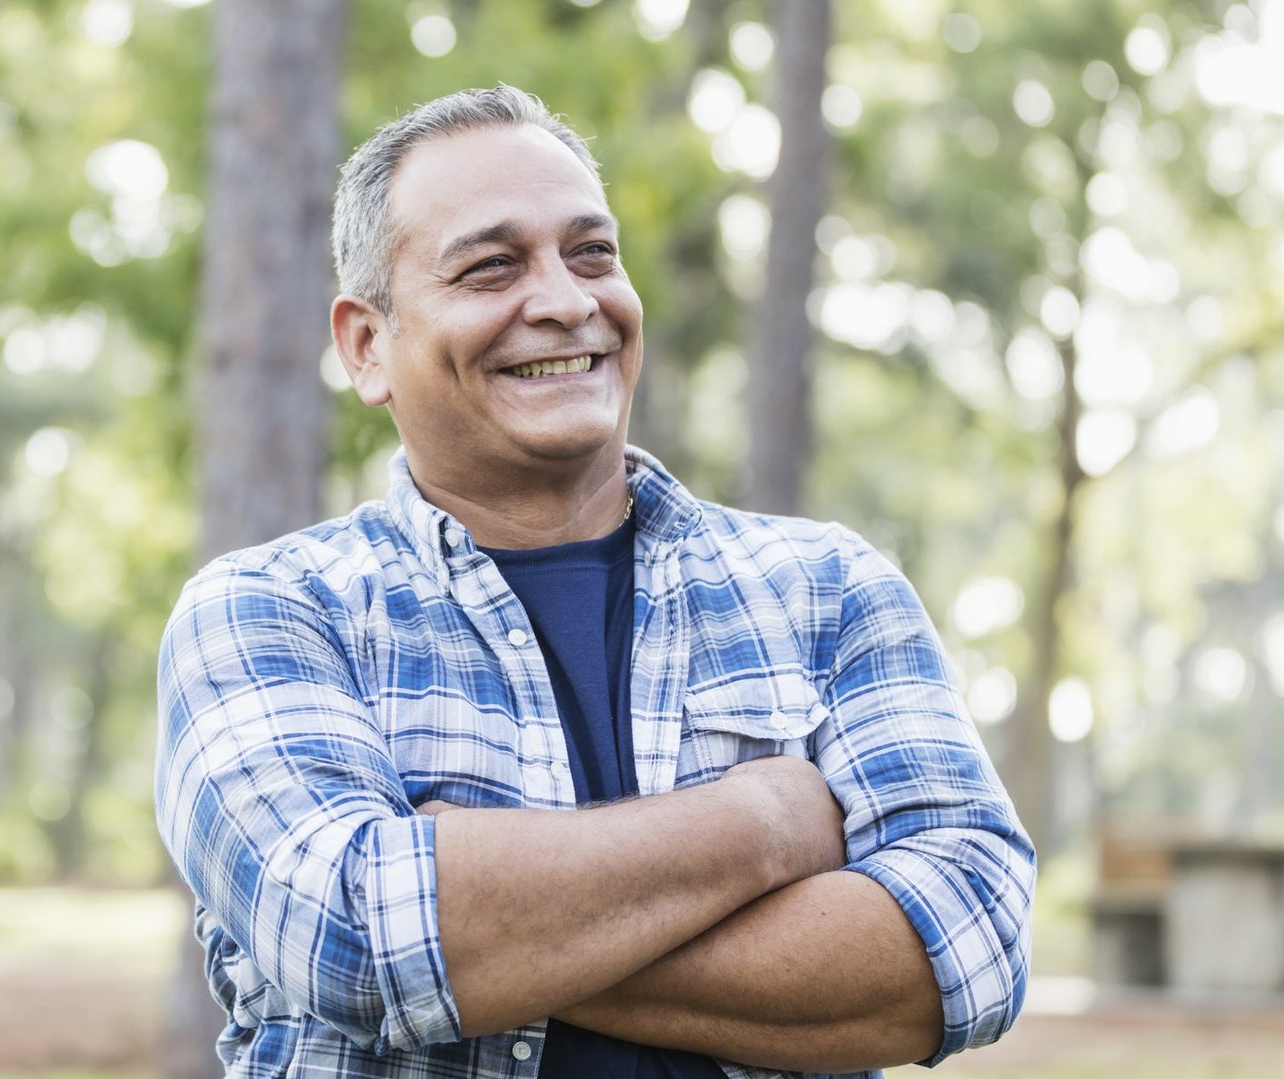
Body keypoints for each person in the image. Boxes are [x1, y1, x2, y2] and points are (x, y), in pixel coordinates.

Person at [155, 85, 1033, 1079]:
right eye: (492, 266)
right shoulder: (270, 612)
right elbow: (353, 934)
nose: (569, 301)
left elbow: (970, 942)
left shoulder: (829, 592)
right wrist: (769, 821)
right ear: (366, 345)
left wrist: (483, 907)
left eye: (592, 253)